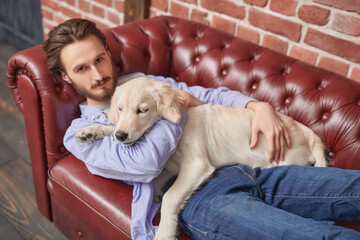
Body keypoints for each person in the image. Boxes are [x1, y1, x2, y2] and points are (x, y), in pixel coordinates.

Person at [42, 18, 360, 240]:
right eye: (82, 68)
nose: (98, 74)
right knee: (318, 236)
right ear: (66, 77)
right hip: (201, 197)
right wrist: (174, 107)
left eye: (100, 59)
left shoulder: (150, 85)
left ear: (109, 55)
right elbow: (145, 162)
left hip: (251, 161)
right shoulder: (81, 132)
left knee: (352, 186)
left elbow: (208, 98)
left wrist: (257, 107)